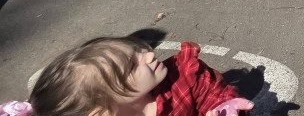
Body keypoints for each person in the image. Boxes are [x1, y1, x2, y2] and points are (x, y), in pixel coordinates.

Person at [8, 37, 252, 116]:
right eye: (131, 65)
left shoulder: (183, 76)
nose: (148, 54)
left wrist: (224, 106)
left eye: (137, 49)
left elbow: (212, 92)